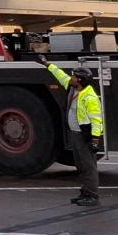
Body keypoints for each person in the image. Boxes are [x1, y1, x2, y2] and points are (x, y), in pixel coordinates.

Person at [43, 60, 104, 206]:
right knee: (81, 165)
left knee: (89, 166)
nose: (71, 78)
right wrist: (47, 64)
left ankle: (92, 195)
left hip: (85, 136)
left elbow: (97, 120)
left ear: (80, 80)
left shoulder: (90, 97)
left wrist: (95, 140)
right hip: (75, 134)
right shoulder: (73, 89)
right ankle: (85, 191)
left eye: (74, 76)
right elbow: (61, 76)